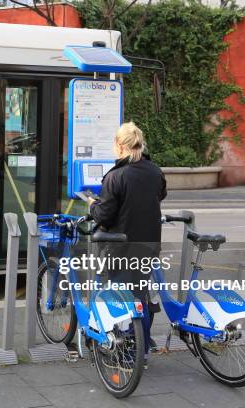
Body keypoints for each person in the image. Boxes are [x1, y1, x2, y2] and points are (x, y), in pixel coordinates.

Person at [87, 121, 167, 366]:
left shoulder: (115, 176)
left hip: (121, 247)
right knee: (142, 295)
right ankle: (142, 348)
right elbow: (160, 194)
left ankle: (128, 353)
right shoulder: (154, 171)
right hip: (149, 246)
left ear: (120, 146)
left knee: (123, 300)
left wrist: (92, 205)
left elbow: (105, 215)